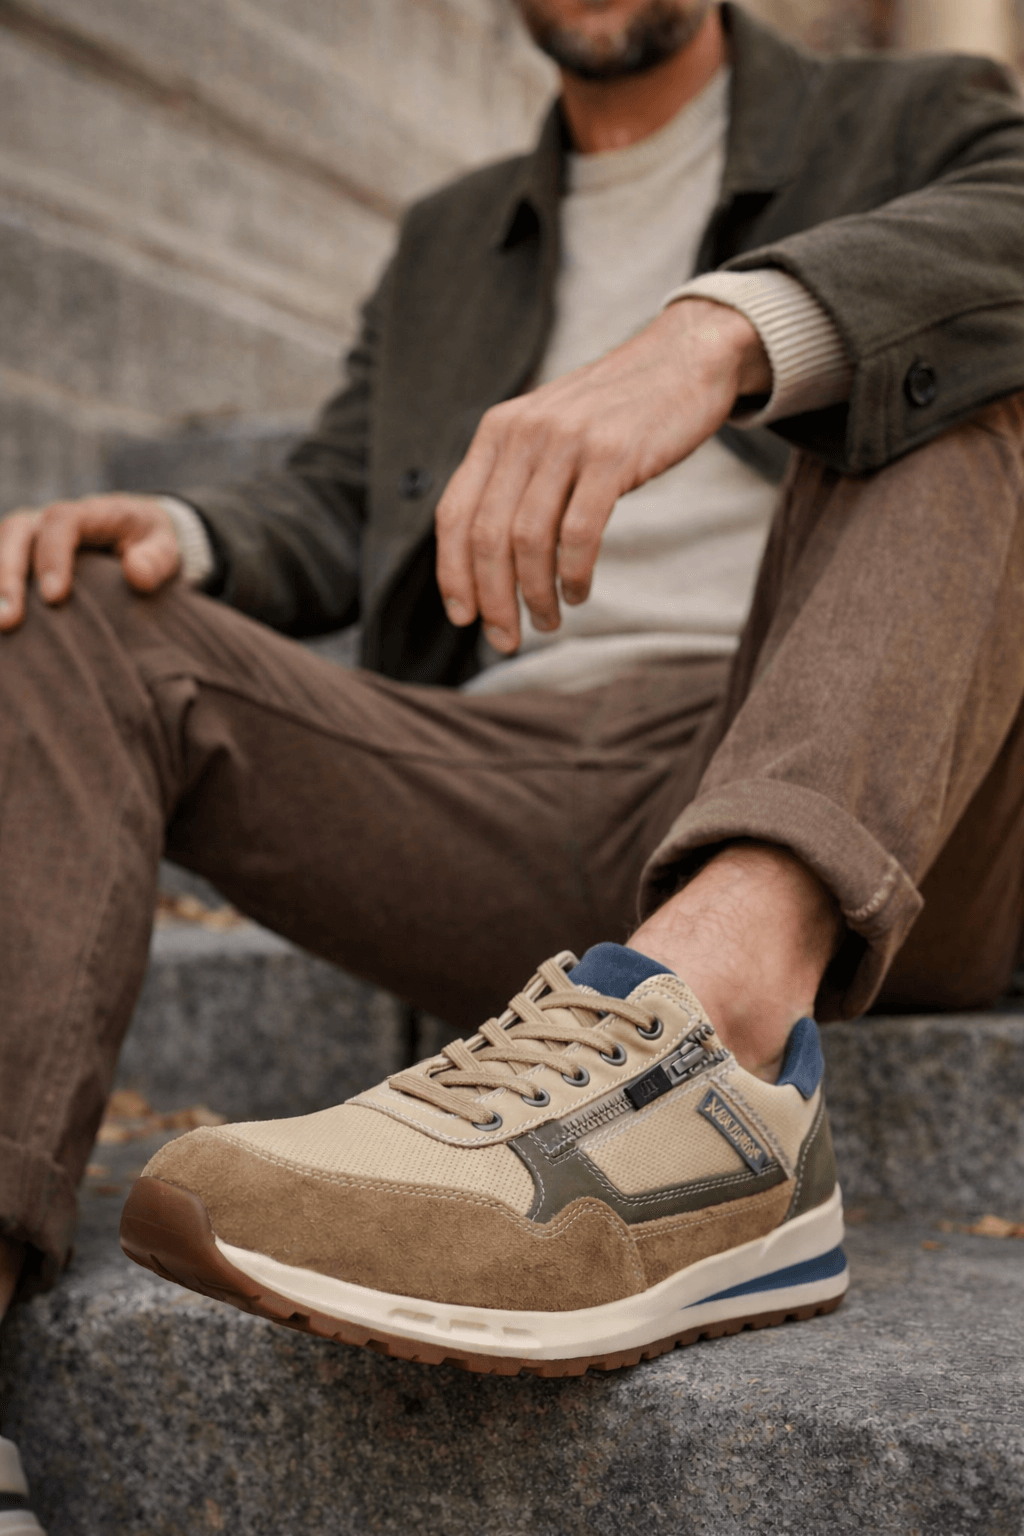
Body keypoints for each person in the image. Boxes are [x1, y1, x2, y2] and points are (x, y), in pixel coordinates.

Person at [2, 0, 1024, 1425]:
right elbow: (341, 500)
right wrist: (180, 527)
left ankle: (716, 1049)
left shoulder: (912, 120)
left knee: (966, 366)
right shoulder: (448, 239)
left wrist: (725, 331)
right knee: (59, 613)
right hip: (506, 776)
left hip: (865, 752)